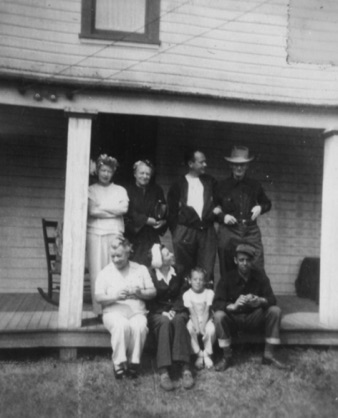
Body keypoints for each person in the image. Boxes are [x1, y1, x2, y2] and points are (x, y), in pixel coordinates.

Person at [213, 243, 285, 371]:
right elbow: (217, 303)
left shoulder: (260, 276)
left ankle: (268, 355)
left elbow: (272, 299)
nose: (244, 263)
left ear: (252, 261)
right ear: (235, 260)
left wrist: (260, 300)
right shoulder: (227, 278)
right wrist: (233, 306)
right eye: (241, 260)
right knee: (218, 316)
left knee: (275, 311)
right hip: (234, 319)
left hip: (254, 318)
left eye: (247, 260)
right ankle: (227, 357)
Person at [95, 236, 156, 379]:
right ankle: (119, 363)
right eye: (113, 256)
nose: (116, 259)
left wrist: (140, 293)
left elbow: (153, 292)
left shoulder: (140, 269)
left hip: (137, 312)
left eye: (119, 256)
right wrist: (115, 296)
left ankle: (134, 362)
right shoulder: (105, 272)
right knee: (121, 325)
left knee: (139, 326)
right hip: (113, 312)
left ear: (128, 252)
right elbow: (98, 297)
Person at [216, 146, 272, 280]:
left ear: (247, 166)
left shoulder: (254, 185)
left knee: (257, 264)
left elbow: (267, 204)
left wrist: (260, 208)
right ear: (231, 165)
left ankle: (255, 297)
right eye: (236, 165)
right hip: (229, 230)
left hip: (250, 230)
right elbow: (214, 208)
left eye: (242, 165)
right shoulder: (222, 186)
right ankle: (229, 297)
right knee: (227, 262)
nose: (239, 168)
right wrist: (223, 216)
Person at [147, 243, 194, 391]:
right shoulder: (151, 275)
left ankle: (186, 368)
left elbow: (183, 294)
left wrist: (175, 309)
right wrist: (163, 312)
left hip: (178, 309)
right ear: (159, 260)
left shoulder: (179, 271)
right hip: (157, 313)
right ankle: (163, 371)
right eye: (167, 254)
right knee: (164, 322)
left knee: (180, 320)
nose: (172, 255)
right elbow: (149, 300)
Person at [87, 154, 129, 316]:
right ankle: (99, 310)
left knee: (114, 268)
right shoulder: (91, 190)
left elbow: (123, 209)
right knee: (97, 270)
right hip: (95, 233)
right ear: (97, 171)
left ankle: (113, 309)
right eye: (103, 170)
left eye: (109, 171)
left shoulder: (120, 190)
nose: (105, 174)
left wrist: (102, 208)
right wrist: (113, 209)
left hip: (115, 232)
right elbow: (92, 211)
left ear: (113, 173)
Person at [167, 149, 218, 284]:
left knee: (206, 268)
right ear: (191, 163)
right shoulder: (179, 183)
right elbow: (171, 211)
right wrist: (177, 232)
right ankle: (185, 301)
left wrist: (217, 211)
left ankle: (206, 301)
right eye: (201, 162)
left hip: (206, 231)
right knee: (184, 269)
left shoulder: (210, 181)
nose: (205, 165)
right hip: (185, 231)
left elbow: (220, 201)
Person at [125, 160, 167, 266]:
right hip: (133, 235)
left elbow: (163, 209)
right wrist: (145, 220)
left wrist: (163, 222)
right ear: (135, 174)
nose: (145, 176)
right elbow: (128, 211)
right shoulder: (127, 190)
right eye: (141, 173)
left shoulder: (157, 190)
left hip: (151, 236)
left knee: (153, 265)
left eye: (148, 174)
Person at [183, 267, 216, 369]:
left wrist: (202, 327)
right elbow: (192, 313)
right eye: (195, 279)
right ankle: (198, 354)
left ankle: (207, 354)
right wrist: (197, 328)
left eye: (201, 280)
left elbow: (207, 311)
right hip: (194, 319)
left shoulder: (209, 293)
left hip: (206, 318)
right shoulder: (187, 294)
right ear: (189, 281)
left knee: (211, 330)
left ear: (205, 281)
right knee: (189, 329)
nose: (198, 282)